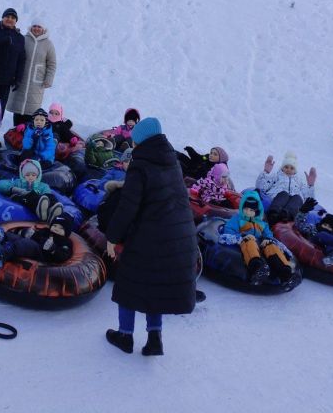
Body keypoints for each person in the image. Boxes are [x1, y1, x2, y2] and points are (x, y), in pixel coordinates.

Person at [105, 117, 197, 357]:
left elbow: (128, 208)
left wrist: (112, 237)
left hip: (149, 236)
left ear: (141, 142)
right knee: (155, 286)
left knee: (129, 284)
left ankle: (125, 335)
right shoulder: (171, 161)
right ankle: (155, 338)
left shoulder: (140, 166)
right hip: (176, 235)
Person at [218, 190, 294, 287]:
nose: (248, 212)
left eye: (251, 210)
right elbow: (227, 233)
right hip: (244, 244)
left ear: (257, 211)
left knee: (270, 245)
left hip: (260, 246)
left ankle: (285, 272)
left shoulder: (262, 224)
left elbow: (268, 234)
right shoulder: (237, 220)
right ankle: (257, 268)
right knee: (249, 241)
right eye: (245, 209)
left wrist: (267, 239)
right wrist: (242, 236)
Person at [0, 7, 26, 147]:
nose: (10, 19)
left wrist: (18, 78)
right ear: (2, 18)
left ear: (16, 21)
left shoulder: (19, 38)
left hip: (6, 79)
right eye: (7, 16)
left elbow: (22, 60)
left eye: (13, 18)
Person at [6, 18, 56, 126]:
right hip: (21, 79)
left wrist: (48, 79)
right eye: (34, 26)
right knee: (18, 108)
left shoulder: (48, 44)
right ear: (31, 27)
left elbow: (52, 64)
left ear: (43, 29)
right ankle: (16, 133)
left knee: (32, 109)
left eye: (39, 27)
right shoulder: (24, 39)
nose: (36, 29)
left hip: (37, 81)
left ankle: (28, 134)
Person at [0, 213, 74, 268]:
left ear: (66, 232)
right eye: (55, 226)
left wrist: (53, 249)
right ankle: (2, 237)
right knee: (20, 238)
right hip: (35, 244)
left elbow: (64, 255)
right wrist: (26, 232)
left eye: (61, 228)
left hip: (42, 255)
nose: (56, 229)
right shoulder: (46, 231)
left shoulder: (65, 242)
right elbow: (36, 235)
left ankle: (3, 253)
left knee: (26, 244)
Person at [256, 151, 317, 223]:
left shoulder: (299, 181)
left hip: (292, 204)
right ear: (282, 167)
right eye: (286, 167)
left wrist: (310, 186)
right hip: (276, 199)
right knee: (284, 194)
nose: (288, 169)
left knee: (298, 197)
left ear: (295, 170)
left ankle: (287, 216)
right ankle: (273, 214)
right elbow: (261, 187)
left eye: (292, 168)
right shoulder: (276, 176)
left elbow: (308, 199)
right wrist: (265, 172)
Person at [0, 158, 63, 222]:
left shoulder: (43, 186)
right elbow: (1, 184)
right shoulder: (18, 182)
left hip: (40, 200)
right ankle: (41, 211)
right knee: (31, 196)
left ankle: (53, 210)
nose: (30, 177)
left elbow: (47, 193)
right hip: (22, 199)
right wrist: (14, 189)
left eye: (33, 175)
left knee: (50, 196)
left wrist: (47, 199)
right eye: (27, 175)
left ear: (38, 175)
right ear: (23, 175)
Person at [295, 198, 333, 266]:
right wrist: (303, 211)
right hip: (316, 242)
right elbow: (299, 224)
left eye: (330, 227)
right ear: (321, 224)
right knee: (323, 234)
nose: (326, 227)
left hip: (330, 247)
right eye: (325, 225)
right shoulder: (314, 229)